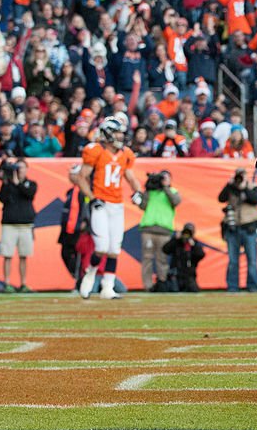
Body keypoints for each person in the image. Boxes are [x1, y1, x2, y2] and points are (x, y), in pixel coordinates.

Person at [76, 113, 145, 300]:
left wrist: (138, 191)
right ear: (108, 134)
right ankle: (90, 273)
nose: (121, 137)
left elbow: (130, 176)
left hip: (117, 204)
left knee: (114, 248)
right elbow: (81, 177)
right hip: (101, 203)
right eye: (117, 133)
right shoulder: (96, 151)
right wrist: (92, 198)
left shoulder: (125, 155)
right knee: (102, 246)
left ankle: (108, 287)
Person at [0, 157, 38, 292]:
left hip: (25, 225)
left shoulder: (31, 184)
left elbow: (29, 194)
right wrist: (8, 182)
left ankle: (23, 283)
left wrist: (18, 184)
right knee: (7, 255)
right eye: (18, 167)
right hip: (9, 224)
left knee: (23, 255)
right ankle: (7, 283)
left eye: (22, 167)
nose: (20, 170)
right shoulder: (8, 184)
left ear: (26, 169)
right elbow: (1, 198)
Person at [219, 168, 257, 292]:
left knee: (252, 260)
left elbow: (256, 200)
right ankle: (232, 287)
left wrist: (245, 188)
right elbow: (221, 198)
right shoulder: (231, 187)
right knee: (233, 260)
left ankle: (253, 286)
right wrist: (229, 185)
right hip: (233, 228)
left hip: (249, 228)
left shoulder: (252, 187)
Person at [140, 169, 181, 292]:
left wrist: (166, 187)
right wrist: (148, 187)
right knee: (147, 258)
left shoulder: (173, 191)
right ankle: (148, 286)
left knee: (162, 258)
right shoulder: (151, 192)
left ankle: (162, 283)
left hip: (164, 230)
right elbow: (142, 205)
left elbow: (175, 201)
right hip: (148, 228)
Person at [58, 163, 89, 283]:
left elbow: (87, 206)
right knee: (66, 253)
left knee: (78, 256)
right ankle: (78, 277)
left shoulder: (84, 190)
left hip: (78, 228)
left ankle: (81, 281)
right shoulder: (72, 191)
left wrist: (85, 221)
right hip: (69, 228)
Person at [163, 223, 205, 292]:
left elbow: (200, 255)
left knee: (193, 290)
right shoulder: (177, 242)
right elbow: (165, 250)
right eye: (185, 233)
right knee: (174, 290)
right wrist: (175, 239)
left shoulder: (194, 244)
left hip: (189, 277)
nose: (186, 235)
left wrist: (193, 245)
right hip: (176, 275)